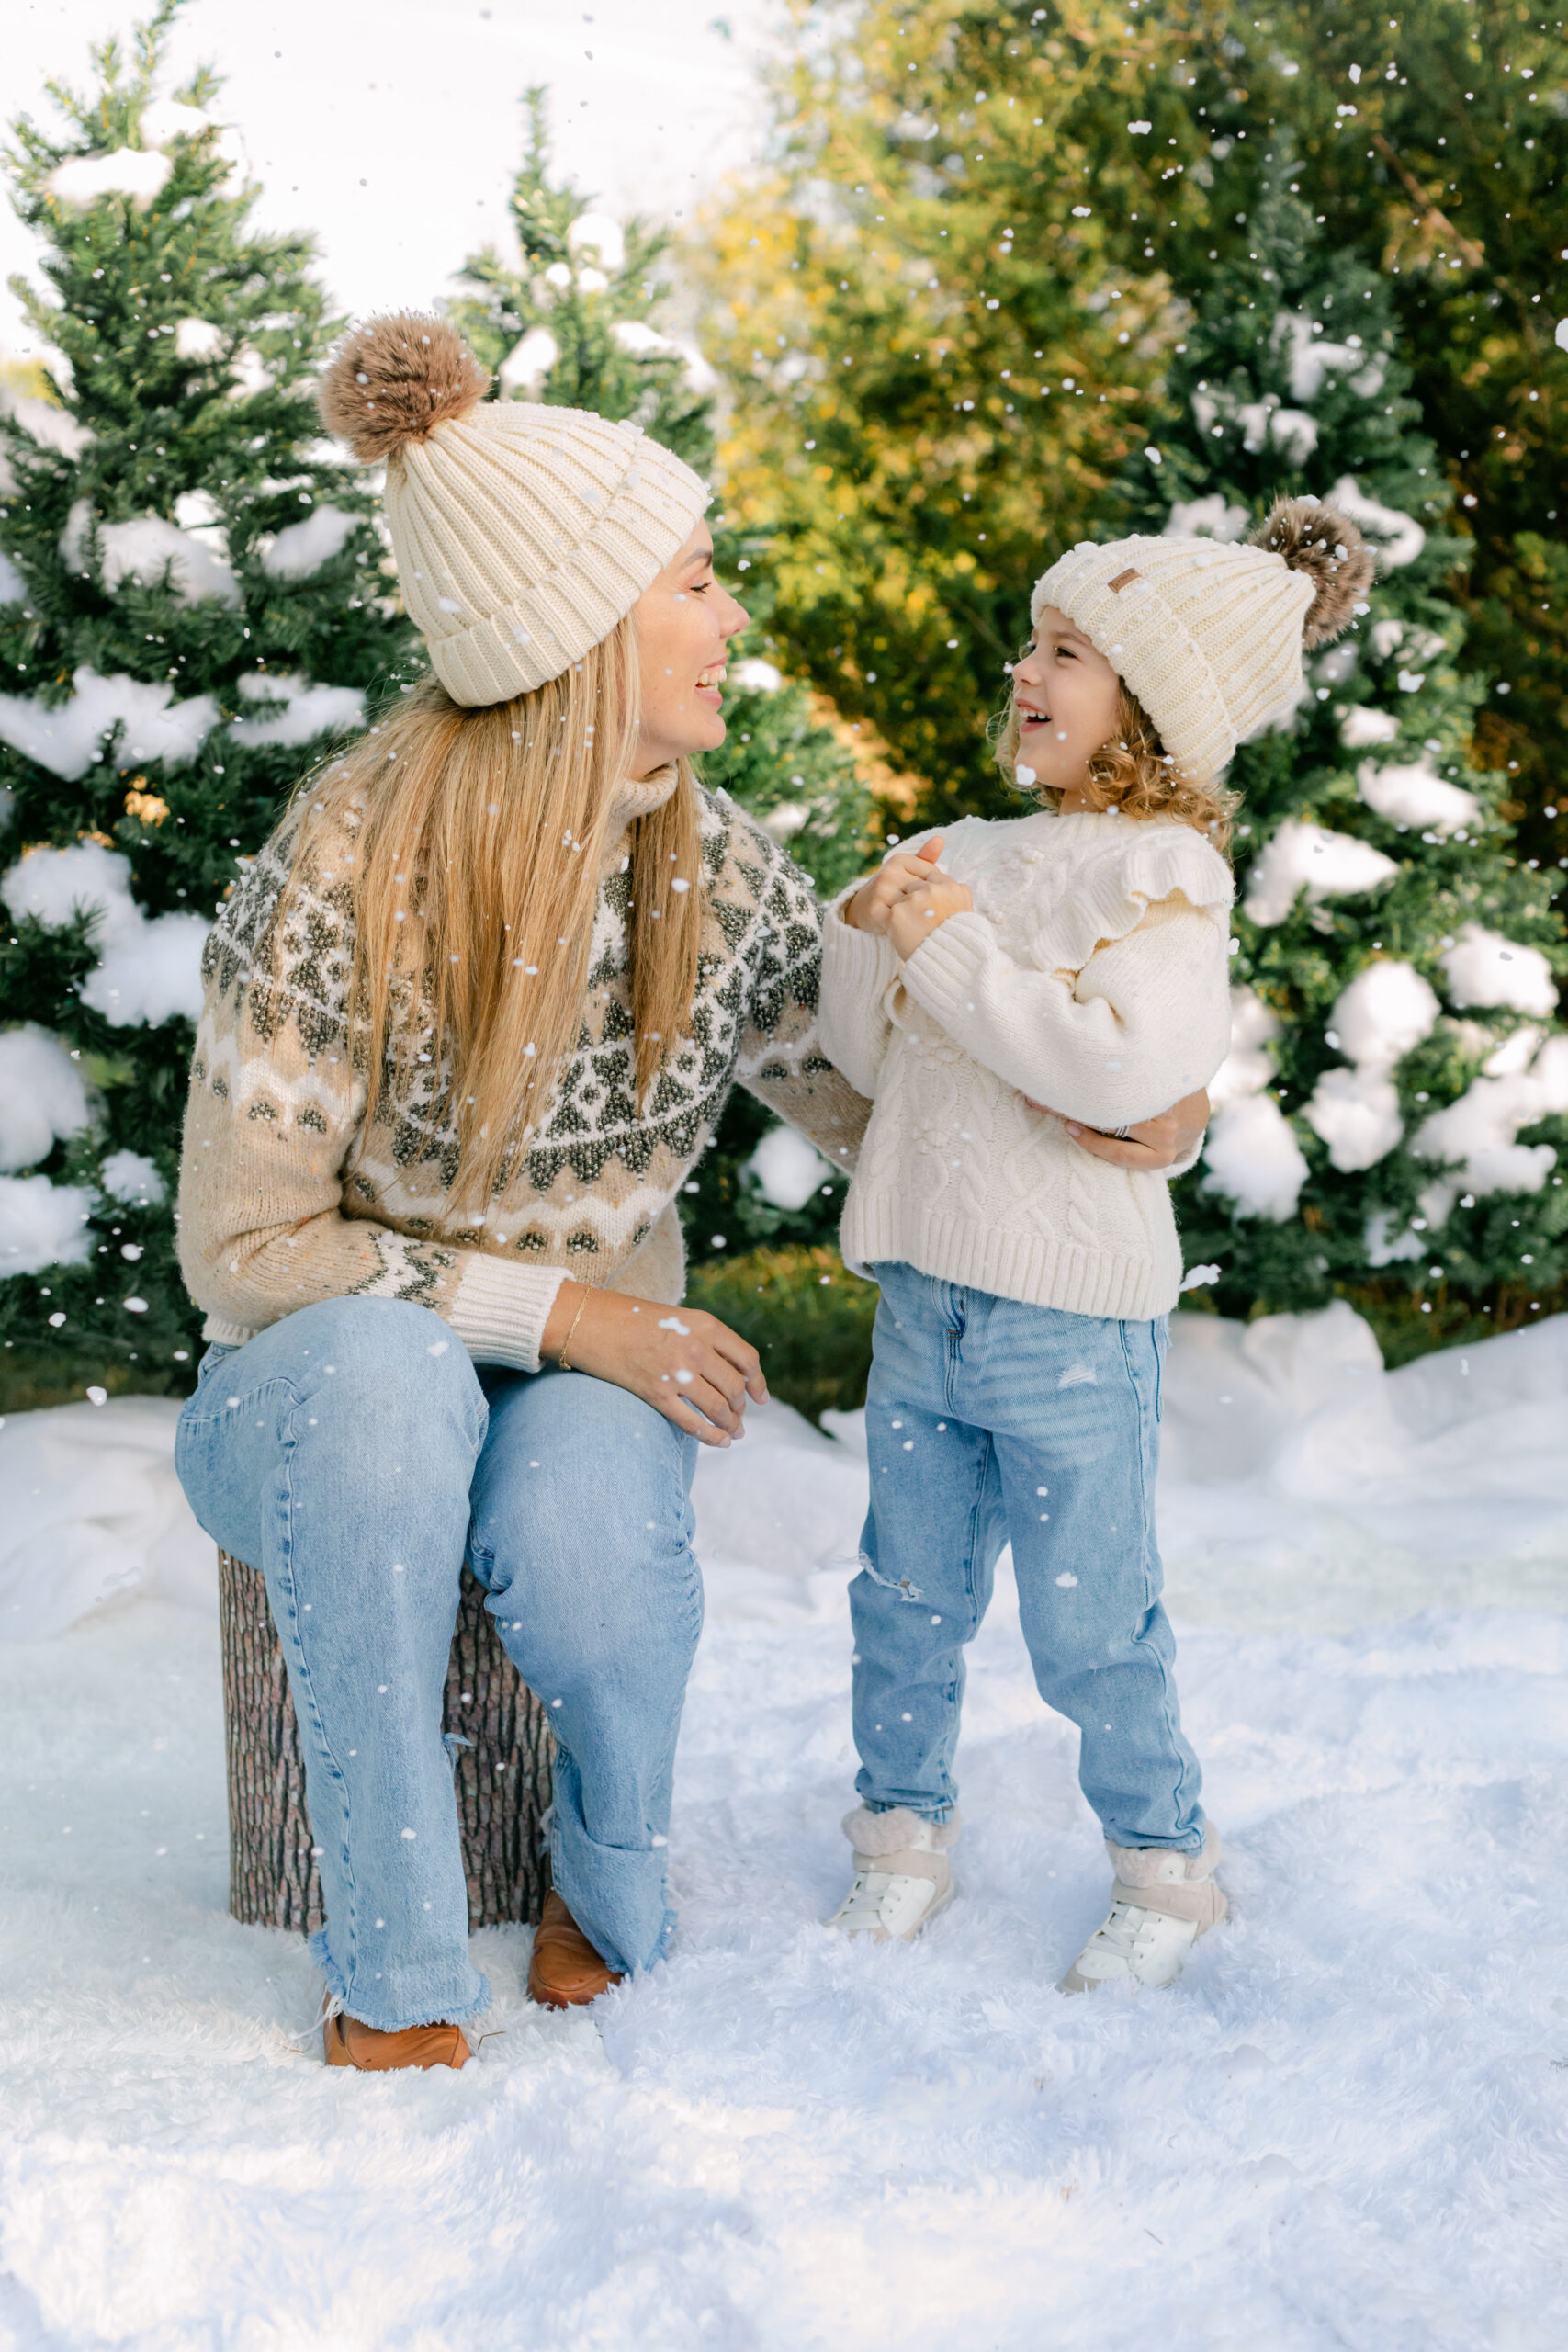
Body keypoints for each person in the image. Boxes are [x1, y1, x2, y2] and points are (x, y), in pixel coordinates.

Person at [173, 313, 1211, 2072]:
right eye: (698, 583)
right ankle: (401, 1967)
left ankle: (606, 1880)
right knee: (383, 1385)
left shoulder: (710, 867)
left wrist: (1136, 1095)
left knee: (584, 1538)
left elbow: (875, 1094)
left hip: (579, 1377)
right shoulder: (344, 862)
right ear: (581, 633)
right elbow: (250, 1246)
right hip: (313, 1380)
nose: (733, 621)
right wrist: (571, 1310)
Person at [818, 500, 1373, 1991]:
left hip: (1067, 1320)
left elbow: (1113, 1073)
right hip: (925, 1296)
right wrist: (872, 934)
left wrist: (942, 944)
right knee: (906, 1596)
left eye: (1071, 651)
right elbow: (868, 1062)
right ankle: (899, 1833)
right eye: (1034, 641)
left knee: (1091, 1621)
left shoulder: (1167, 885)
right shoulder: (969, 850)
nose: (1029, 671)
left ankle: (1163, 1865)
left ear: (1155, 711)